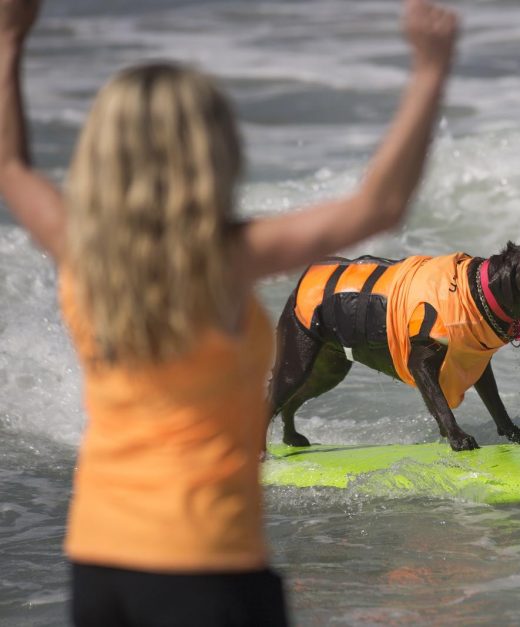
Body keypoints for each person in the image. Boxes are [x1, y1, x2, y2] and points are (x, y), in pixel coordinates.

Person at [0, 0, 459, 624]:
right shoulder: (222, 258)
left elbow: (10, 166)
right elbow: (378, 204)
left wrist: (8, 39)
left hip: (99, 558)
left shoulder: (84, 252)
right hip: (207, 562)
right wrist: (431, 67)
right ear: (211, 149)